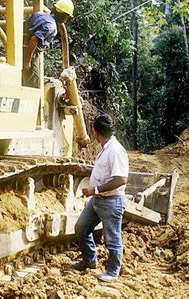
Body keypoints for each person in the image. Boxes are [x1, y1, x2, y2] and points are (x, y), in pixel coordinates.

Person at [72, 114, 129, 282]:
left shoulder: (115, 150)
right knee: (81, 228)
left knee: (112, 238)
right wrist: (89, 170)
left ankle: (112, 272)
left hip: (111, 201)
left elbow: (120, 179)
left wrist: (94, 190)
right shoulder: (105, 148)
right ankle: (89, 260)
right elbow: (105, 172)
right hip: (98, 200)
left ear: (96, 133)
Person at [23, 0, 74, 87]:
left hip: (20, 48)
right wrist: (28, 62)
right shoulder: (51, 27)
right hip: (30, 53)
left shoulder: (39, 15)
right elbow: (34, 39)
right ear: (64, 16)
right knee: (34, 85)